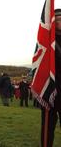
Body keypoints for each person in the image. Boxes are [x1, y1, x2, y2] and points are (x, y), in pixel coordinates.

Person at [41, 9, 61, 147]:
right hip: (51, 88)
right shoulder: (46, 42)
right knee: (48, 127)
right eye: (57, 20)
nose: (60, 23)